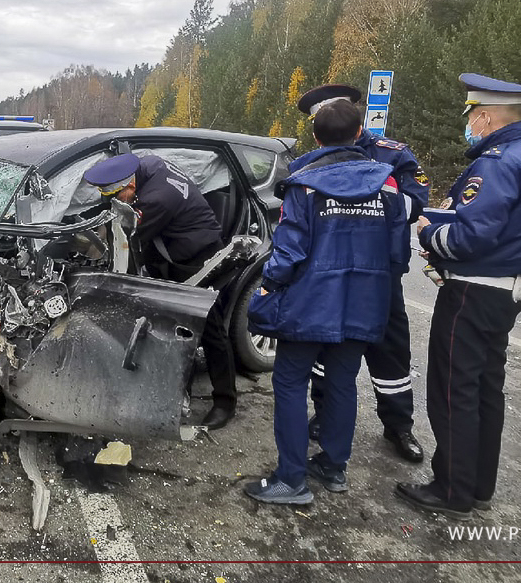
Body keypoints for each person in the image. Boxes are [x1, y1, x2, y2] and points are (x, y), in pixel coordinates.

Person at [396, 74, 521, 521]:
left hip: (473, 292)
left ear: (486, 116)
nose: (469, 124)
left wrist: (429, 232)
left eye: (471, 116)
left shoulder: (497, 162)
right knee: (487, 390)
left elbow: (469, 238)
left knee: (454, 391)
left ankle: (451, 490)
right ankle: (478, 487)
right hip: (508, 291)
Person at [244, 99, 406, 505]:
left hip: (309, 303)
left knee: (290, 382)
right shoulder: (388, 184)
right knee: (341, 383)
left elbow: (290, 250)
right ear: (358, 135)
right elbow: (398, 253)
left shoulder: (304, 183)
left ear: (316, 136)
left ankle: (291, 479)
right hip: (365, 302)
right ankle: (334, 467)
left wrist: (268, 286)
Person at [297, 84, 430, 463]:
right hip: (330, 271)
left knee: (389, 350)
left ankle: (398, 426)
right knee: (326, 345)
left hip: (380, 272)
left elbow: (415, 202)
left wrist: (366, 197)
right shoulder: (314, 159)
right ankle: (324, 415)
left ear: (354, 120)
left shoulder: (392, 154)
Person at [82, 152, 238, 429]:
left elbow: (127, 239)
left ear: (130, 186)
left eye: (118, 196)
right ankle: (178, 389)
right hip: (173, 249)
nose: (115, 202)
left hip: (197, 257)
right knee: (171, 325)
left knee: (209, 329)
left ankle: (225, 402)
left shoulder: (155, 200)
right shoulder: (147, 164)